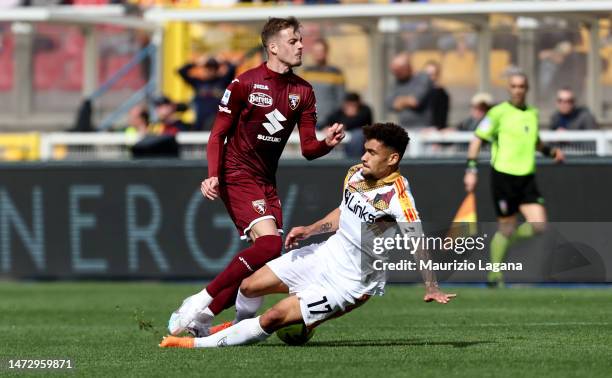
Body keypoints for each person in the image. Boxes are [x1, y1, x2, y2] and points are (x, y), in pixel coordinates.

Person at [160, 123, 456, 349]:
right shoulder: (355, 174)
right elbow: (344, 212)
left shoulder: (399, 197)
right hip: (326, 253)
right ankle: (236, 327)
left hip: (352, 280)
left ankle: (195, 344)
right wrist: (311, 229)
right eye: (364, 150)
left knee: (274, 318)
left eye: (372, 152)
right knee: (250, 286)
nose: (364, 157)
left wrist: (431, 286)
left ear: (392, 159)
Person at [167, 17, 345, 337]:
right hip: (236, 174)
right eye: (293, 41)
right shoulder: (244, 83)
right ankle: (200, 302)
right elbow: (217, 134)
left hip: (266, 181)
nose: (301, 45)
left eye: (301, 40)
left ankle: (209, 320)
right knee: (270, 244)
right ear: (273, 47)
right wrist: (212, 175)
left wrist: (326, 145)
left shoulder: (303, 91)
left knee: (268, 256)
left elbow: (307, 149)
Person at [463, 73, 565, 287]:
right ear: (508, 89)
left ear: (527, 88)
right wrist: (471, 169)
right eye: (514, 86)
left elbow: (535, 140)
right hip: (504, 177)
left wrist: (550, 152)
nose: (518, 90)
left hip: (526, 177)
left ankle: (504, 243)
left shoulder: (532, 113)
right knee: (506, 227)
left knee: (539, 225)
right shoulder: (498, 113)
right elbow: (477, 139)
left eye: (522, 86)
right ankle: (495, 274)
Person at [177, 56, 237, 131]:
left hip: (217, 123)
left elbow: (233, 67)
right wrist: (196, 63)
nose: (210, 70)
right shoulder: (198, 83)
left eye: (214, 68)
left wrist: (223, 61)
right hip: (200, 123)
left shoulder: (223, 81)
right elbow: (181, 71)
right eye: (208, 68)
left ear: (217, 70)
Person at [301, 38, 345, 129]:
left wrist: (333, 122)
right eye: (315, 51)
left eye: (321, 51)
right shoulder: (305, 72)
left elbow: (340, 100)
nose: (318, 53)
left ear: (326, 52)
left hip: (329, 123)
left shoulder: (336, 72)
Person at [386, 52, 433, 128]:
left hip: (423, 129)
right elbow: (390, 104)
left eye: (398, 71)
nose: (395, 74)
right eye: (394, 72)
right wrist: (406, 100)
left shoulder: (423, 78)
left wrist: (399, 101)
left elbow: (415, 101)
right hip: (404, 128)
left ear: (407, 67)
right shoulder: (397, 82)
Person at [325, 92, 373, 158]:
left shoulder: (365, 110)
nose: (351, 108)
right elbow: (327, 121)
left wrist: (343, 125)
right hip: (344, 138)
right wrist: (327, 127)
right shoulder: (339, 111)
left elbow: (359, 122)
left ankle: (353, 160)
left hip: (361, 138)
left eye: (353, 105)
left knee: (358, 135)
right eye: (349, 105)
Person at [423, 61, 450, 130]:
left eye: (431, 74)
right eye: (426, 74)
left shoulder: (441, 93)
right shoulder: (421, 91)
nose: (428, 77)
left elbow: (441, 118)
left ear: (437, 75)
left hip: (432, 132)